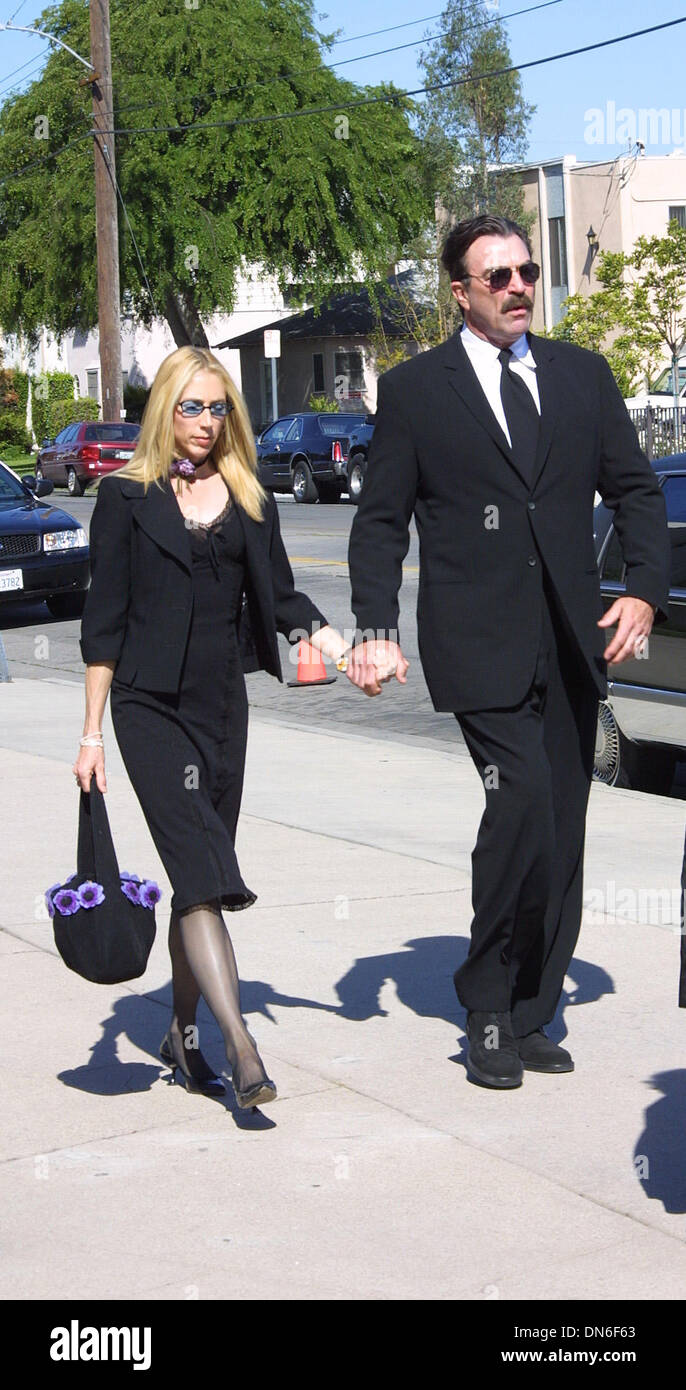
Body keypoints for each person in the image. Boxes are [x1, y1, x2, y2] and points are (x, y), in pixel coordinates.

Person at [347, 214, 670, 1089]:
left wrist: (641, 587)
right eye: (498, 276)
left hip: (572, 642)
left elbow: (637, 492)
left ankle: (534, 1007)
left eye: (527, 270)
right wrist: (374, 631)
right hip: (478, 646)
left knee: (564, 833)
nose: (520, 285)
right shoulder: (416, 391)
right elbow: (380, 525)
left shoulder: (582, 376)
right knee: (520, 804)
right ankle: (485, 1008)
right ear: (460, 291)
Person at [75, 346, 352, 1110]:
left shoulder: (248, 494)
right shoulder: (126, 499)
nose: (204, 422)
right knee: (200, 875)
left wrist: (345, 651)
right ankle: (242, 1049)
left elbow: (286, 601)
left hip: (222, 711)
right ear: (166, 408)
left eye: (218, 408)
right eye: (192, 407)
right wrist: (92, 733)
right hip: (146, 708)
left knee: (197, 883)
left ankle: (182, 1034)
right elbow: (103, 626)